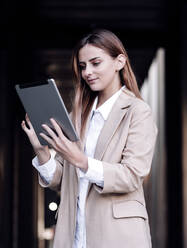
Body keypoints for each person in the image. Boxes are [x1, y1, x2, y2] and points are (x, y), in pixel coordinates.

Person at [21, 29, 158, 248]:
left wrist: (82, 161)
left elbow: (132, 175)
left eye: (96, 63)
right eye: (83, 66)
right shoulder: (78, 115)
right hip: (76, 235)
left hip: (118, 236)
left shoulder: (137, 111)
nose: (88, 72)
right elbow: (61, 181)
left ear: (119, 61)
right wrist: (42, 152)